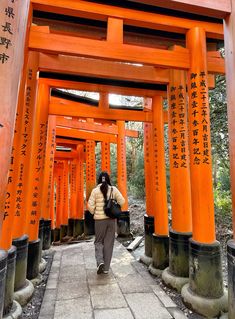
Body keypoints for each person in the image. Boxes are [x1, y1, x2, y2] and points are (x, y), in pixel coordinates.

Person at [88, 171, 125, 274]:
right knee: (108, 243)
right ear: (108, 179)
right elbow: (122, 201)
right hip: (111, 220)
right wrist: (114, 203)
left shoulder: (95, 191)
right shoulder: (113, 190)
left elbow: (90, 206)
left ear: (99, 180)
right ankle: (106, 269)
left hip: (99, 221)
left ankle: (100, 261)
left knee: (98, 241)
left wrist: (95, 212)